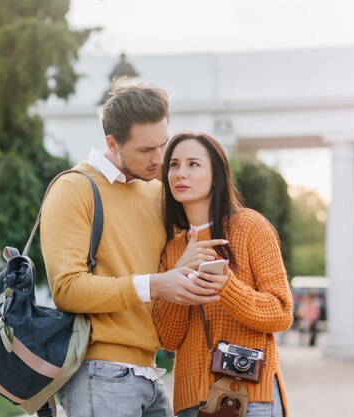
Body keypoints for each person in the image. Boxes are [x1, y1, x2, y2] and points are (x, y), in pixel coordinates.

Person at [40, 85, 223, 417]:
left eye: (163, 144)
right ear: (112, 143)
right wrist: (154, 284)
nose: (159, 158)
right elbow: (66, 288)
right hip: (100, 374)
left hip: (152, 373)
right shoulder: (74, 188)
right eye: (146, 149)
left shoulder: (156, 191)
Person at [152, 132, 293, 417]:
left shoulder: (250, 226)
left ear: (216, 175)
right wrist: (181, 270)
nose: (181, 173)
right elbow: (168, 338)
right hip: (192, 402)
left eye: (193, 164)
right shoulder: (172, 249)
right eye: (174, 165)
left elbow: (281, 312)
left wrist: (227, 287)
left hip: (251, 396)